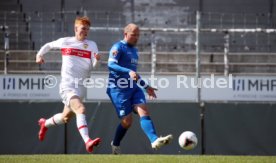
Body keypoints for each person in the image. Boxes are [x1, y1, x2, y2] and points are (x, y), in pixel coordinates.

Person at [36, 16, 101, 153]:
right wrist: (39, 55)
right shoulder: (66, 41)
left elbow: (93, 66)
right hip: (68, 85)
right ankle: (87, 141)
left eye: (88, 29)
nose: (85, 31)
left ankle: (45, 123)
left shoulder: (92, 44)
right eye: (83, 28)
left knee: (66, 117)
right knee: (81, 109)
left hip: (81, 86)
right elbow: (48, 45)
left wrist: (97, 61)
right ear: (76, 28)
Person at [106, 23, 173, 154]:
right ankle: (115, 144)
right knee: (127, 122)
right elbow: (111, 65)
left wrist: (146, 87)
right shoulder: (118, 47)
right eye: (133, 35)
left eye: (138, 35)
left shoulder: (135, 51)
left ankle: (154, 140)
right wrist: (127, 71)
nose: (136, 38)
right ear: (125, 34)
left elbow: (134, 74)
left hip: (133, 88)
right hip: (118, 90)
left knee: (144, 111)